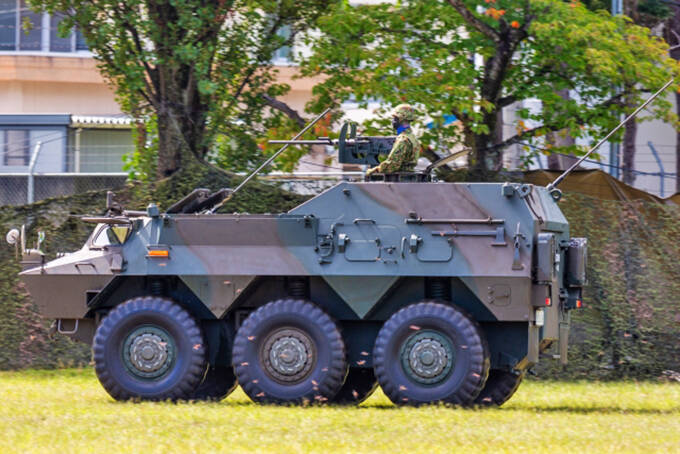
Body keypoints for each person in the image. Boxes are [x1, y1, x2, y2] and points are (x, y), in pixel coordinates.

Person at [366, 104, 421, 176]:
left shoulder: (403, 140)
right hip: (408, 175)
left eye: (395, 118)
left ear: (401, 119)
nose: (393, 121)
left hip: (400, 178)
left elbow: (392, 165)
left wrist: (373, 170)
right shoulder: (413, 137)